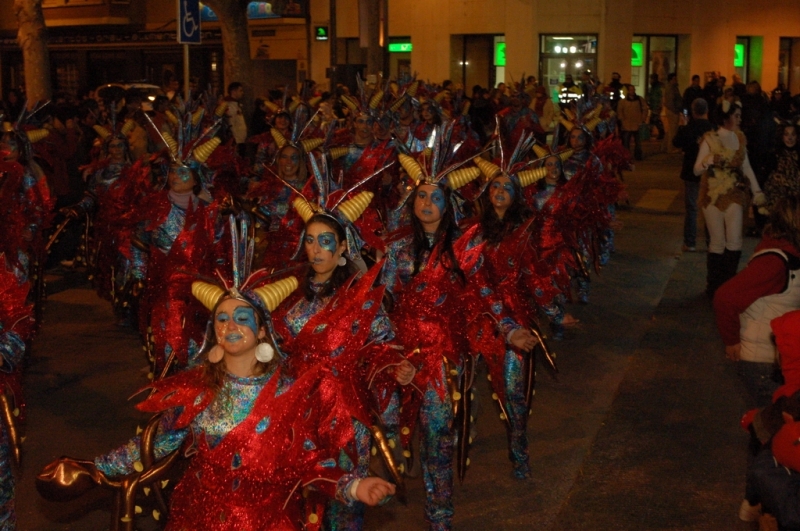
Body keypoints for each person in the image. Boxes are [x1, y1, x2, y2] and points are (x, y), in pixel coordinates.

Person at [37, 259, 395, 529]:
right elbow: (154, 445)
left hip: (267, 522)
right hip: (199, 517)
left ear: (262, 333)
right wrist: (93, 468)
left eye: (242, 318)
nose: (230, 326)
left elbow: (308, 460)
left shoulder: (289, 391)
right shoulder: (197, 390)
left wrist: (353, 485)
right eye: (221, 319)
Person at [385, 130, 536, 530]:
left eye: (436, 197)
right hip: (400, 355)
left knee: (438, 433)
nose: (427, 203)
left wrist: (509, 329)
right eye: (421, 196)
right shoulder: (397, 250)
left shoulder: (463, 247)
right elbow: (378, 304)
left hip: (442, 357)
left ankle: (440, 515)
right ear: (411, 201)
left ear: (449, 205)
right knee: (391, 428)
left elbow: (486, 293)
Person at [713, 195, 800, 408]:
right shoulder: (775, 262)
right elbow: (725, 298)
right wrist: (731, 340)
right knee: (773, 429)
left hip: (775, 357)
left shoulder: (787, 254)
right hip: (764, 362)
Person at [694, 101, 766, 296]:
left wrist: (758, 193)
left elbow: (747, 167)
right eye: (736, 116)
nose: (740, 119)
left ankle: (728, 286)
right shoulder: (710, 139)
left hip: (734, 193)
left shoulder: (740, 138)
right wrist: (709, 160)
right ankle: (714, 287)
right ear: (725, 118)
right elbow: (696, 169)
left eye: (740, 116)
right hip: (712, 195)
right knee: (717, 241)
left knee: (734, 241)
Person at [673, 98, 714, 252]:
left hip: (691, 171)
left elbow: (676, 142)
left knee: (692, 208)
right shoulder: (712, 128)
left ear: (693, 111)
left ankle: (690, 242)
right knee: (709, 207)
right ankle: (711, 242)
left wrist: (681, 126)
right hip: (708, 172)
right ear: (707, 111)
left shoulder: (688, 128)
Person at [764, 123, 800, 212]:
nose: (790, 138)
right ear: (782, 136)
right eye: (786, 134)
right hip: (779, 200)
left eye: (793, 134)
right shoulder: (774, 155)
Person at [617, 84, 648, 161]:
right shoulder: (623, 101)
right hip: (626, 124)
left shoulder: (640, 99)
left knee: (638, 142)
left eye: (633, 89)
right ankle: (626, 156)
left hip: (637, 123)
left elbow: (645, 109)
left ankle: (638, 155)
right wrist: (622, 120)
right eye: (631, 90)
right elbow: (620, 111)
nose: (632, 91)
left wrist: (643, 119)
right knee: (626, 142)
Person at [224, 82, 248, 156]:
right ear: (233, 91)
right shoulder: (229, 106)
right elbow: (231, 123)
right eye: (240, 90)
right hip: (236, 142)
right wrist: (234, 140)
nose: (242, 93)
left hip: (240, 140)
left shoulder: (236, 104)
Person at [664, 73, 683, 153]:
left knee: (671, 130)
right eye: (675, 79)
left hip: (672, 110)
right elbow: (670, 101)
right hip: (673, 110)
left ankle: (665, 146)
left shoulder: (672, 87)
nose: (676, 80)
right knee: (673, 130)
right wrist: (675, 110)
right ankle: (670, 148)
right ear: (671, 79)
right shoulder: (671, 88)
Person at [647, 73, 665, 142]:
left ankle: (660, 133)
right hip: (653, 106)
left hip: (656, 106)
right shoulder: (653, 87)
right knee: (654, 120)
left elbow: (661, 97)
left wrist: (659, 106)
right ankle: (654, 133)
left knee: (655, 120)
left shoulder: (658, 87)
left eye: (651, 79)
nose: (650, 80)